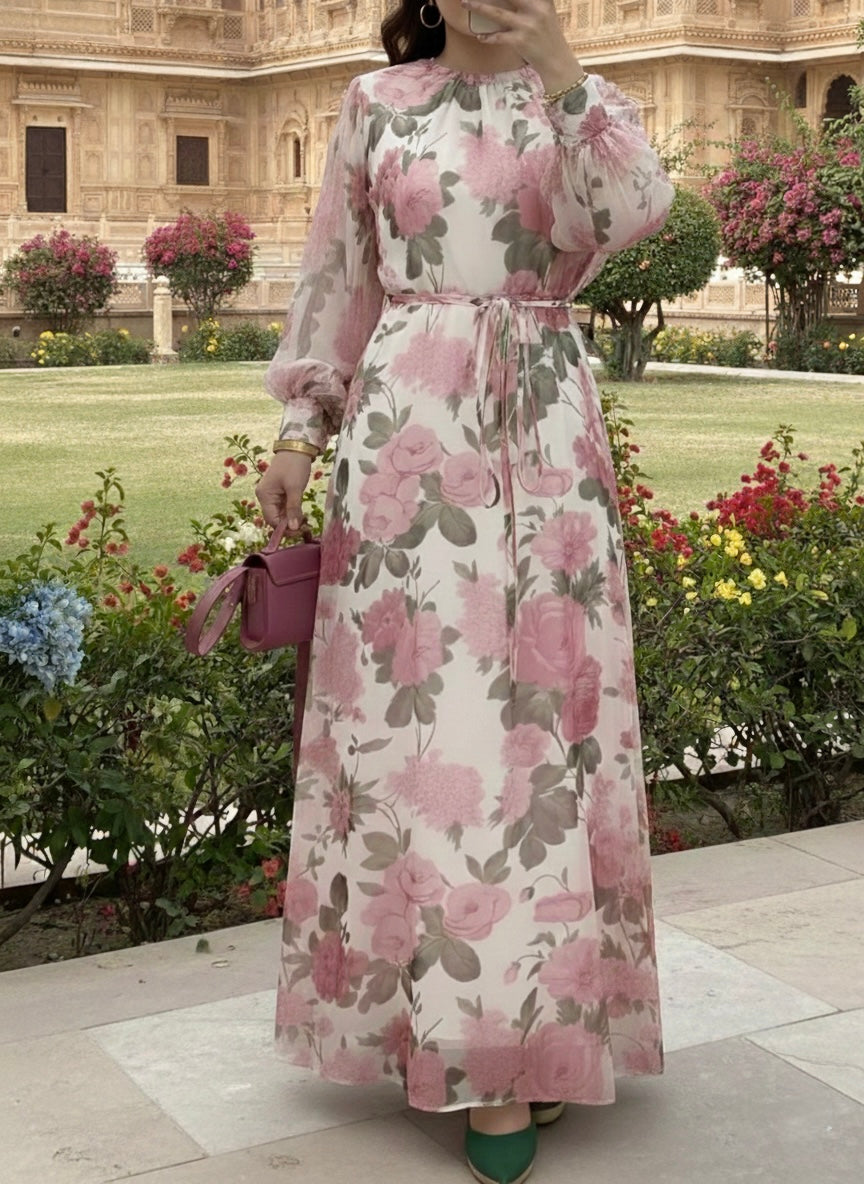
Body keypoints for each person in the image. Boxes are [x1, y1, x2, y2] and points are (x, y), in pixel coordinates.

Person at [256, 2, 675, 1181]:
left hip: (546, 437)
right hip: (410, 442)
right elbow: (338, 277)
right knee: (428, 739)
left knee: (542, 735)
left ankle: (538, 1030)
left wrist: (558, 62)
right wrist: (299, 431)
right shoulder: (376, 104)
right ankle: (467, 1041)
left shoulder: (581, 100)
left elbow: (637, 210)